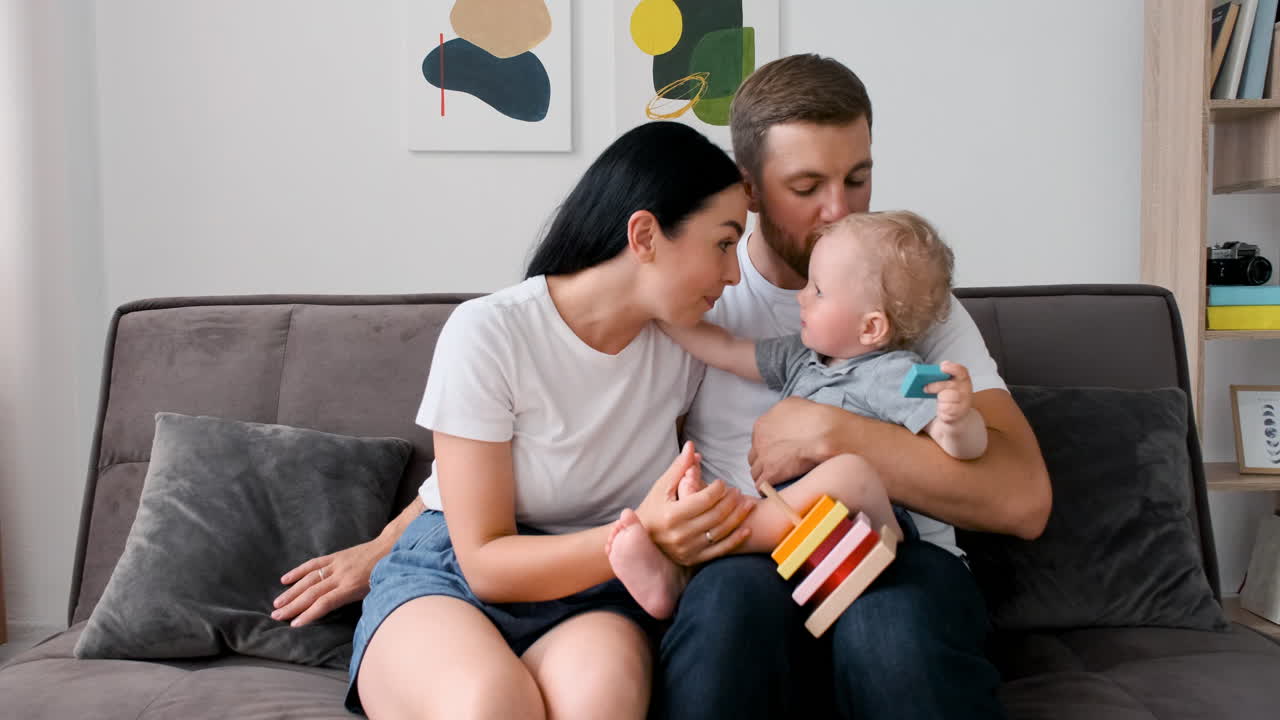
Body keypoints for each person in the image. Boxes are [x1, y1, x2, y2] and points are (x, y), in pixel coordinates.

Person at [284, 121, 764, 717]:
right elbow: (484, 558)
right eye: (724, 243)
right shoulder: (491, 332)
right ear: (645, 235)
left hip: (593, 596)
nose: (734, 274)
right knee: (491, 702)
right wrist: (645, 532)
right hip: (454, 576)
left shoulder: (690, 349)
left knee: (601, 701)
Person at [646, 55, 1052, 720]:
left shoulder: (910, 300)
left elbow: (1023, 500)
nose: (838, 211)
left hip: (898, 549)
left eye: (858, 179)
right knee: (724, 622)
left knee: (891, 636)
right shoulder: (702, 294)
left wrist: (831, 432)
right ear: (749, 188)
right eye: (806, 186)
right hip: (752, 554)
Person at [607, 209, 987, 620]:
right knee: (727, 513)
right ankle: (677, 575)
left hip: (870, 530)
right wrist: (657, 311)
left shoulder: (896, 373)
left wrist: (956, 420)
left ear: (871, 328)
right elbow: (726, 350)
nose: (802, 296)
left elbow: (965, 449)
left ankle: (714, 534)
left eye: (818, 291)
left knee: (851, 473)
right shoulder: (800, 356)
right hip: (799, 527)